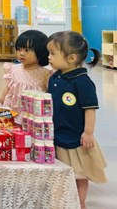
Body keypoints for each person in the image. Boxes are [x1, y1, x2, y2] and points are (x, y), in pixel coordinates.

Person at [47, 31, 107, 208]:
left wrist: (88, 133)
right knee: (62, 172)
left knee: (79, 174)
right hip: (58, 135)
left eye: (53, 53)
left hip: (77, 138)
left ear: (72, 58)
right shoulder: (55, 77)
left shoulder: (82, 81)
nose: (49, 57)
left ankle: (80, 203)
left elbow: (90, 109)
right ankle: (63, 201)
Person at [0, 30, 52, 123]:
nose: (22, 53)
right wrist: (1, 101)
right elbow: (8, 88)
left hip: (33, 115)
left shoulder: (46, 74)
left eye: (27, 50)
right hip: (12, 110)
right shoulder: (13, 69)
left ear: (41, 52)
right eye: (19, 49)